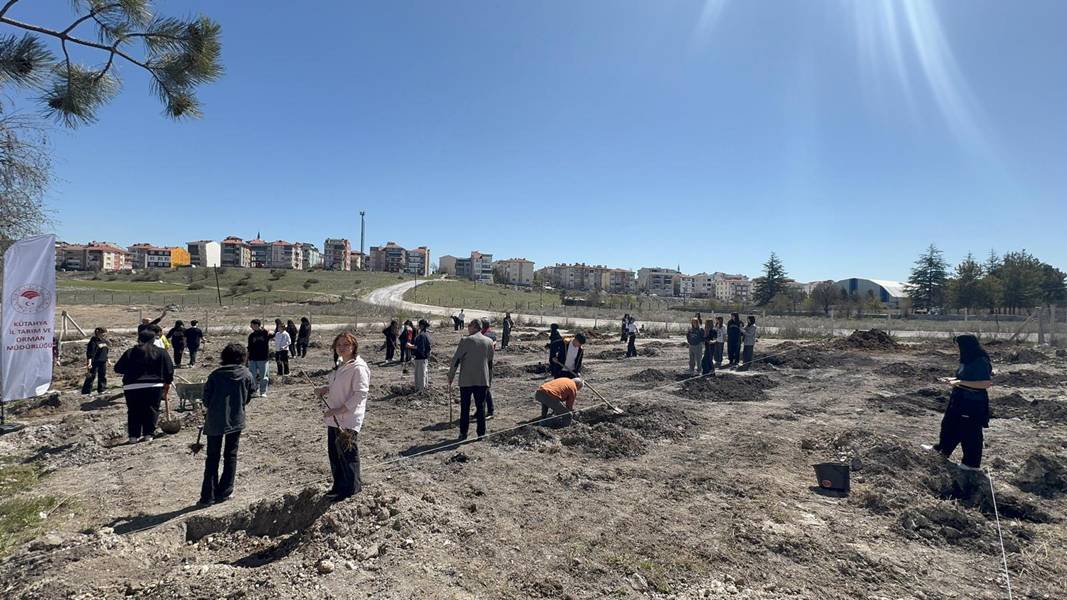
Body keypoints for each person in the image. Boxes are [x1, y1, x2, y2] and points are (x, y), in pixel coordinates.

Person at [198, 343, 256, 507]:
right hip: (236, 419)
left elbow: (206, 400)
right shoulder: (246, 374)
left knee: (212, 457)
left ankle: (207, 496)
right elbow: (250, 395)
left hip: (214, 421)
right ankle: (224, 492)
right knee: (230, 455)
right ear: (243, 357)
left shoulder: (215, 375)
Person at [314, 331, 370, 501]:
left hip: (348, 418)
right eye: (339, 345)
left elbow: (360, 394)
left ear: (354, 346)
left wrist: (340, 410)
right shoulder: (340, 364)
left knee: (347, 455)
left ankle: (351, 489)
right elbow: (339, 385)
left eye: (346, 344)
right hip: (334, 418)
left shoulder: (359, 367)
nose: (342, 347)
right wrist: (325, 389)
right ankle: (338, 487)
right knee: (335, 454)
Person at [932, 334, 992, 469]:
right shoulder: (967, 359)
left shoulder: (980, 361)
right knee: (949, 424)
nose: (958, 349)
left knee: (970, 431)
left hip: (972, 402)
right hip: (959, 398)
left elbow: (985, 383)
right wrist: (953, 380)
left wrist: (959, 382)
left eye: (959, 346)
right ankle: (943, 450)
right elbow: (964, 378)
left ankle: (971, 464)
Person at [114, 329, 175, 443]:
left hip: (131, 386)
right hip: (154, 386)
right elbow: (169, 369)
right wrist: (168, 382)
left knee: (134, 411)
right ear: (153, 340)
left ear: (139, 339)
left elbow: (118, 368)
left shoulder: (130, 352)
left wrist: (132, 370)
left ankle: (133, 437)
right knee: (152, 410)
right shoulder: (161, 352)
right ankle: (148, 435)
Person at [448, 319, 494, 440]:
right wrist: (489, 380)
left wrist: (451, 376)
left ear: (474, 327)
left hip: (466, 380)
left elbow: (456, 360)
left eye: (469, 325)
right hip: (482, 380)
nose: (468, 328)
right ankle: (481, 433)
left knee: (465, 407)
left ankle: (463, 433)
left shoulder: (465, 340)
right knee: (481, 407)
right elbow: (490, 363)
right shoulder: (489, 341)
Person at [81, 327, 110, 395]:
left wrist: (108, 360)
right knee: (91, 377)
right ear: (98, 333)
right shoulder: (93, 341)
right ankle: (86, 392)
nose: (104, 335)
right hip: (94, 362)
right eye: (103, 334)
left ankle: (102, 390)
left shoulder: (103, 341)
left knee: (102, 376)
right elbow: (90, 353)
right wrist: (89, 363)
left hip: (102, 361)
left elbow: (105, 351)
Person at [247, 320, 271, 397]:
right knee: (252, 376)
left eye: (252, 325)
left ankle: (263, 392)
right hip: (252, 358)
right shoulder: (251, 336)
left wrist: (267, 331)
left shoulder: (265, 333)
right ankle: (254, 391)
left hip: (263, 358)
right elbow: (249, 348)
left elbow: (273, 334)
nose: (250, 326)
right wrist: (247, 359)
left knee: (263, 376)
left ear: (256, 325)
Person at [479, 319, 498, 418]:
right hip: (489, 362)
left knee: (484, 388)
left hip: (483, 363)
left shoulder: (482, 336)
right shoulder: (493, 334)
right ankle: (481, 409)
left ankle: (490, 410)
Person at [408, 319, 432, 390]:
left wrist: (410, 346)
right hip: (424, 357)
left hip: (420, 357)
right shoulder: (426, 334)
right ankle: (423, 388)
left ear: (422, 326)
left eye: (419, 325)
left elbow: (420, 347)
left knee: (420, 375)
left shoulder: (422, 335)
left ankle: (420, 390)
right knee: (423, 373)